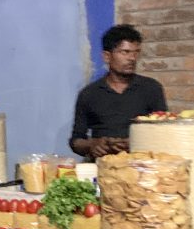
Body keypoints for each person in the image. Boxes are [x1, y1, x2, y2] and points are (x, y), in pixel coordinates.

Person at [70, 24, 167, 158]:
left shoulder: (151, 88)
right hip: (103, 167)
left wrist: (135, 143)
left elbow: (164, 132)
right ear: (107, 56)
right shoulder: (89, 94)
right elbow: (76, 141)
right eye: (125, 52)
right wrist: (92, 144)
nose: (132, 58)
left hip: (142, 166)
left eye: (136, 52)